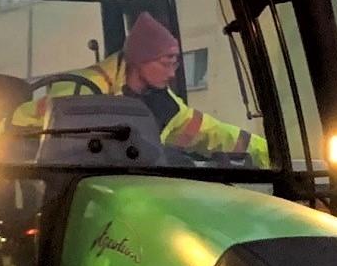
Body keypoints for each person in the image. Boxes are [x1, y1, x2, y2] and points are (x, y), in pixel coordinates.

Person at [15, 10, 266, 165]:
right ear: (140, 59)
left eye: (176, 62)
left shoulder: (164, 104)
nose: (173, 72)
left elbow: (211, 133)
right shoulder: (79, 91)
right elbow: (18, 131)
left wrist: (264, 150)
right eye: (167, 62)